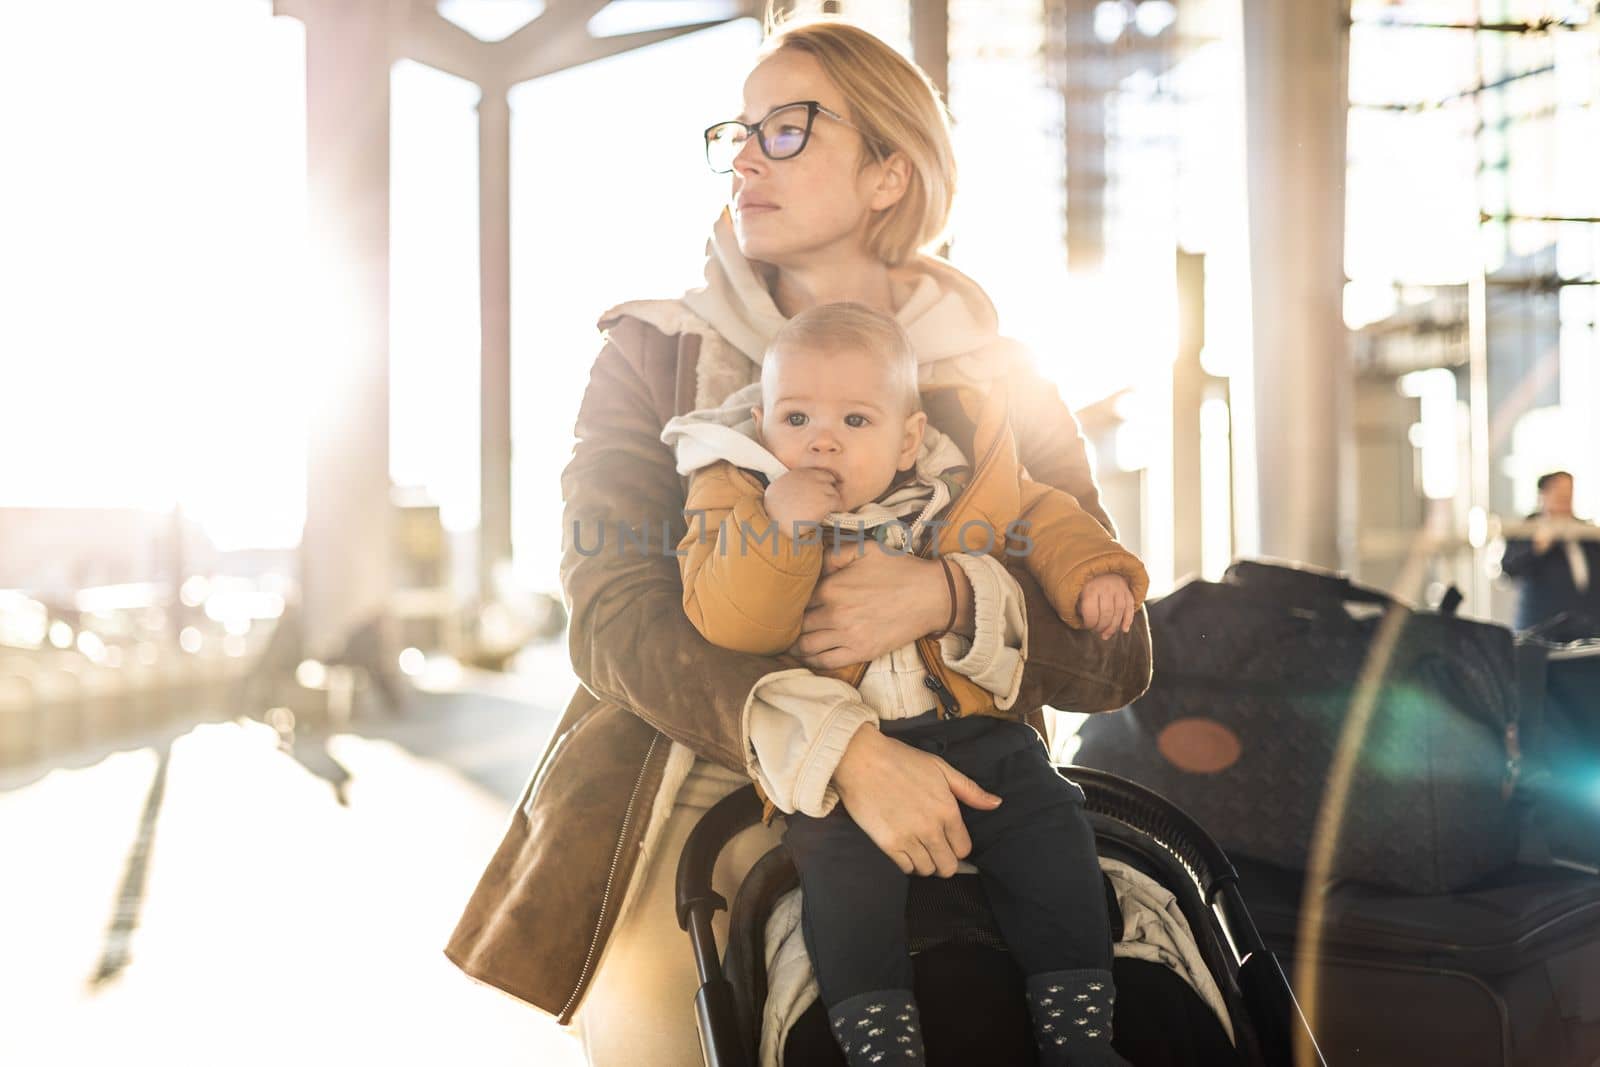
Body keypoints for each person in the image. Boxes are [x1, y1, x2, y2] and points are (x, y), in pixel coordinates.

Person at [444, 17, 1153, 1066]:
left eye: (786, 130)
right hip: (693, 760)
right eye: (738, 129)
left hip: (967, 763)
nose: (741, 155)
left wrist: (948, 595)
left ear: (886, 175)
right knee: (660, 1028)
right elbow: (611, 616)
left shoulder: (1001, 372)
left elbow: (1117, 652)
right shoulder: (654, 352)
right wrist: (845, 752)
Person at [664, 302, 1147, 1065]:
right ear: (762, 426)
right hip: (842, 754)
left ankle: (1079, 1030)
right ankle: (881, 1043)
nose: (821, 438)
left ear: (908, 437)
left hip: (980, 731)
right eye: (796, 417)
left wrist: (1094, 574)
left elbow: (1049, 517)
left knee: (1053, 827)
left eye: (856, 421)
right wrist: (777, 529)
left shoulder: (967, 474)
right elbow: (731, 622)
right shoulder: (741, 493)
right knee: (841, 880)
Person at [1502, 471, 1600, 634]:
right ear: (1544, 494)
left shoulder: (1584, 531)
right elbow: (1509, 569)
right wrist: (1538, 547)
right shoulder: (1526, 529)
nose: (1565, 499)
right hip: (1539, 628)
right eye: (1560, 493)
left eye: (1569, 493)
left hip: (1586, 629)